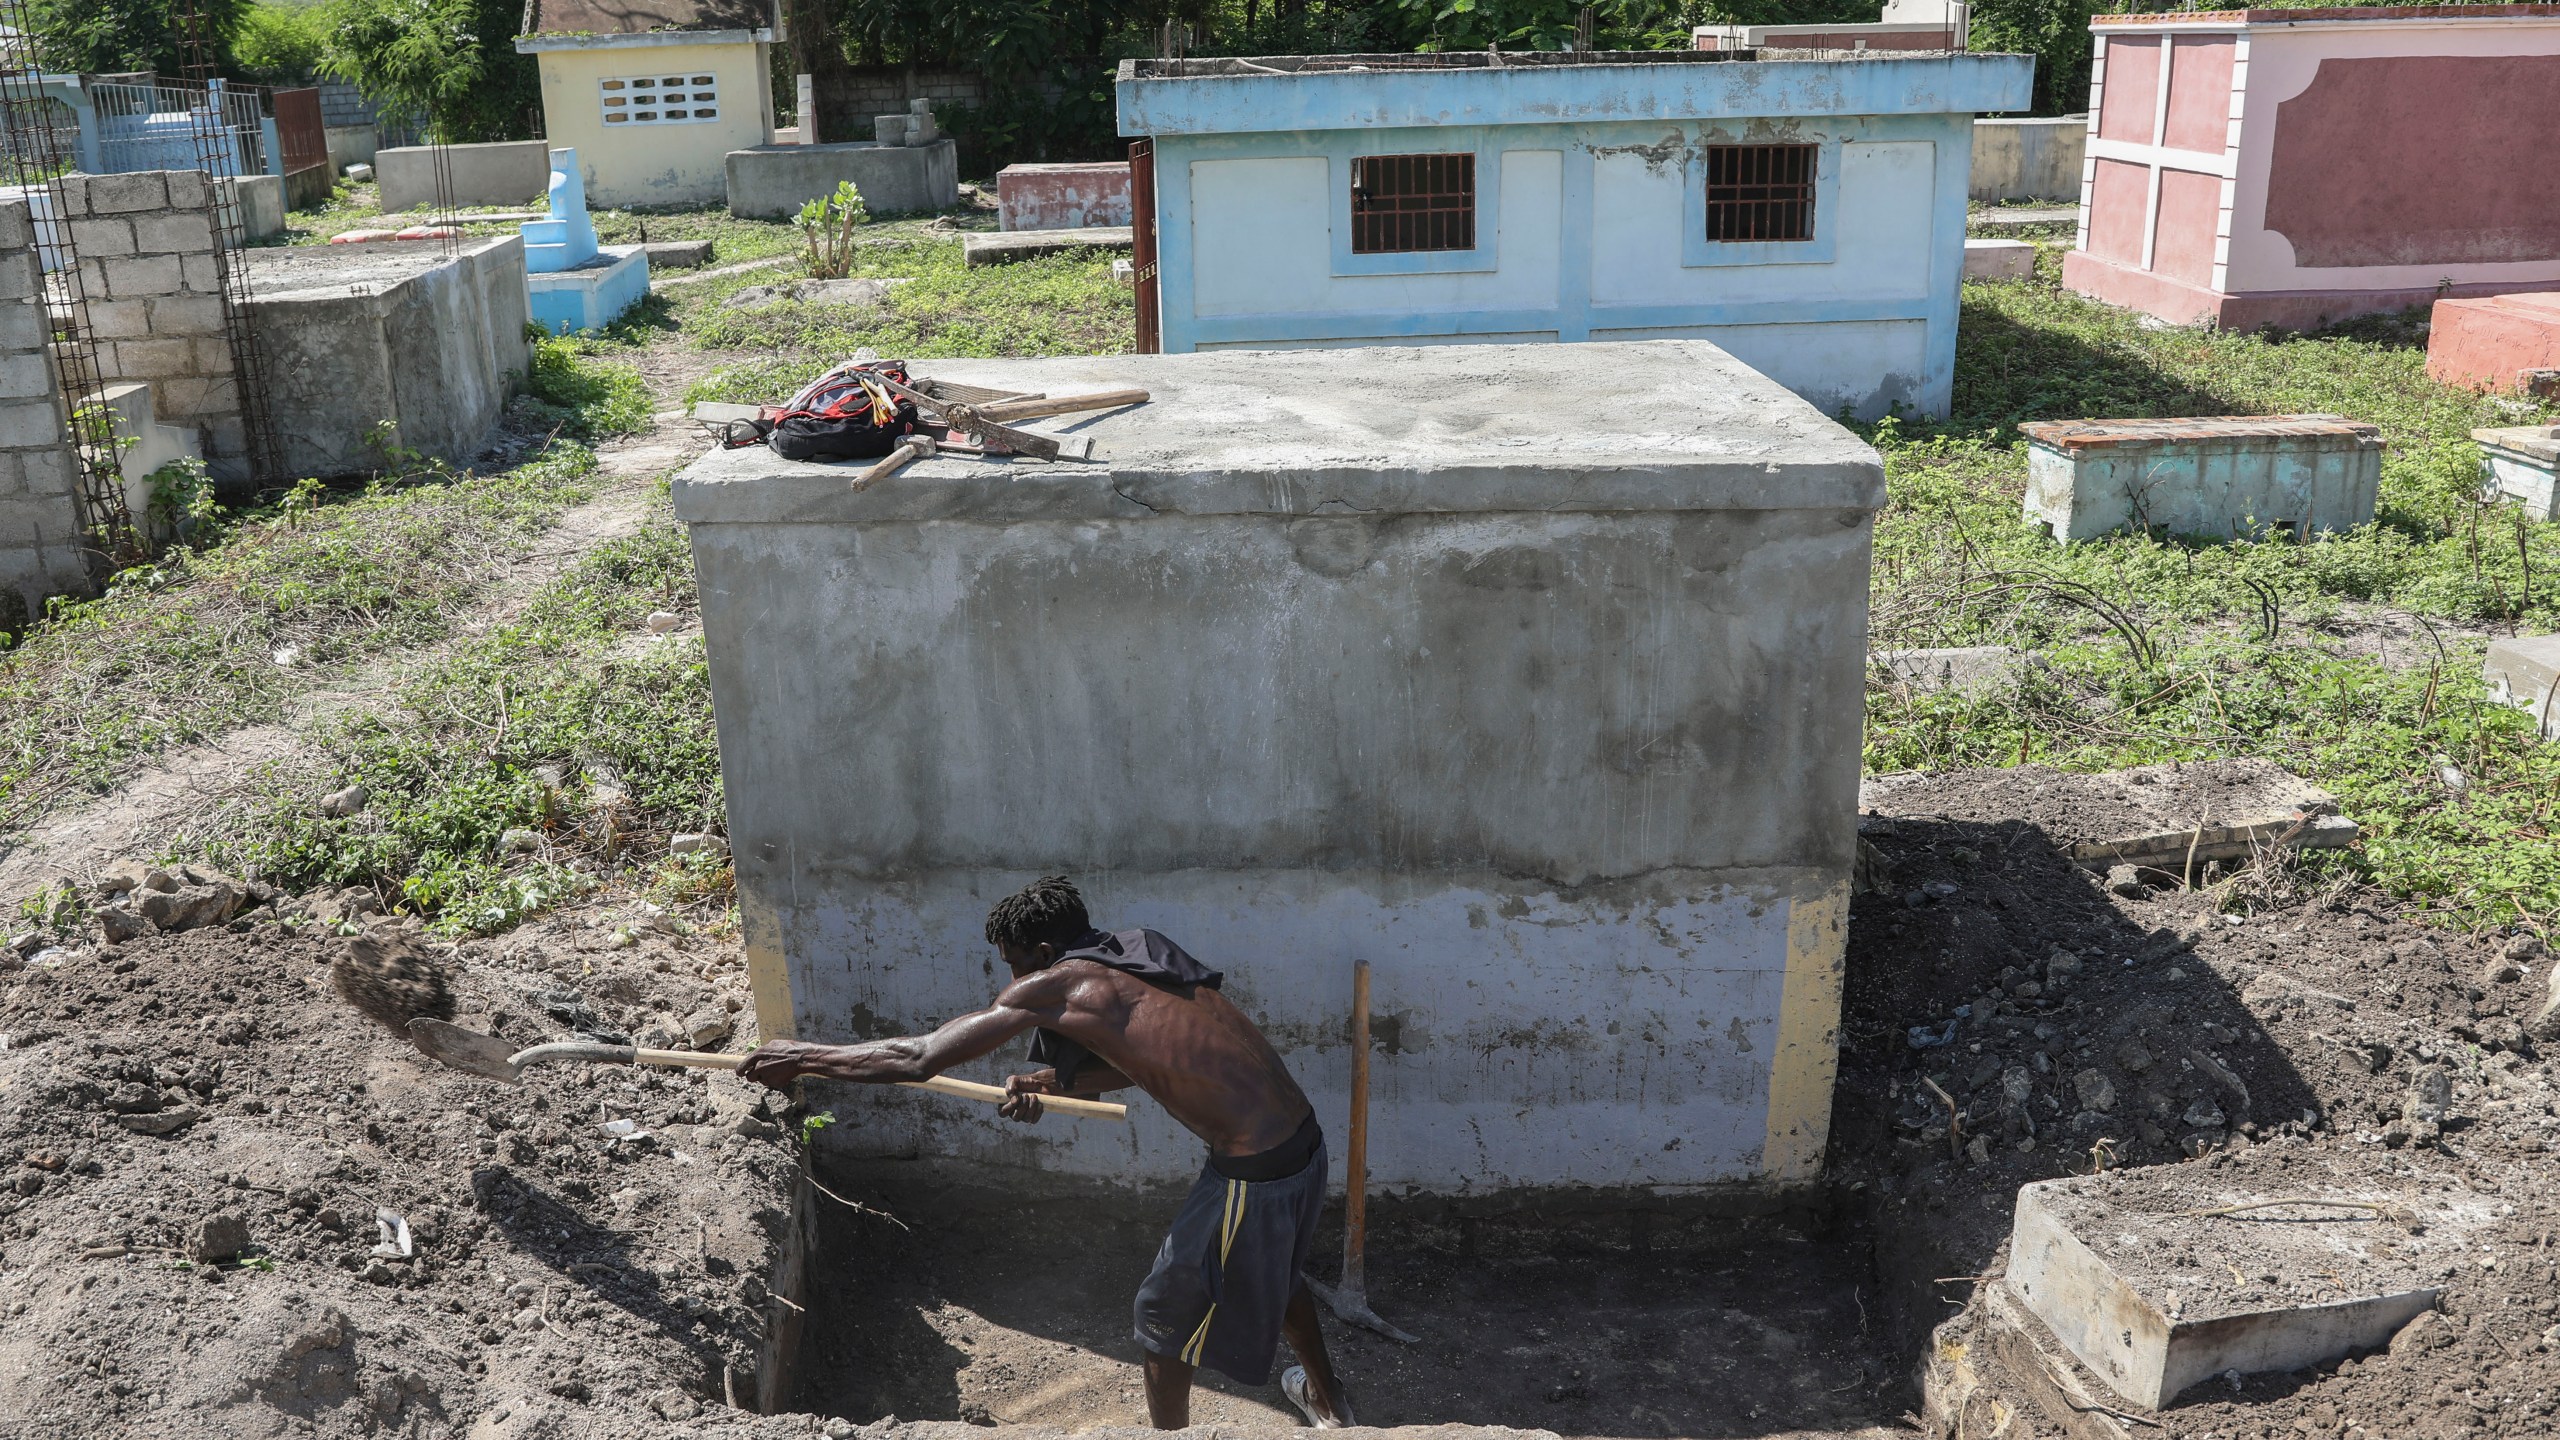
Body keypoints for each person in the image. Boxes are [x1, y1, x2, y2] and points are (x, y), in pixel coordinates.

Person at [735, 876, 1356, 1430]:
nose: (1014, 982)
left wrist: (803, 1058)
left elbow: (919, 1058)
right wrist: (1046, 1084)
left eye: (1016, 965)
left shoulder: (1063, 983)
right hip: (1302, 1144)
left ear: (1046, 954)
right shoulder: (1137, 955)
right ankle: (1331, 1407)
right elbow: (1146, 1064)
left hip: (1255, 1172)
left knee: (1162, 1319)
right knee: (1279, 1277)